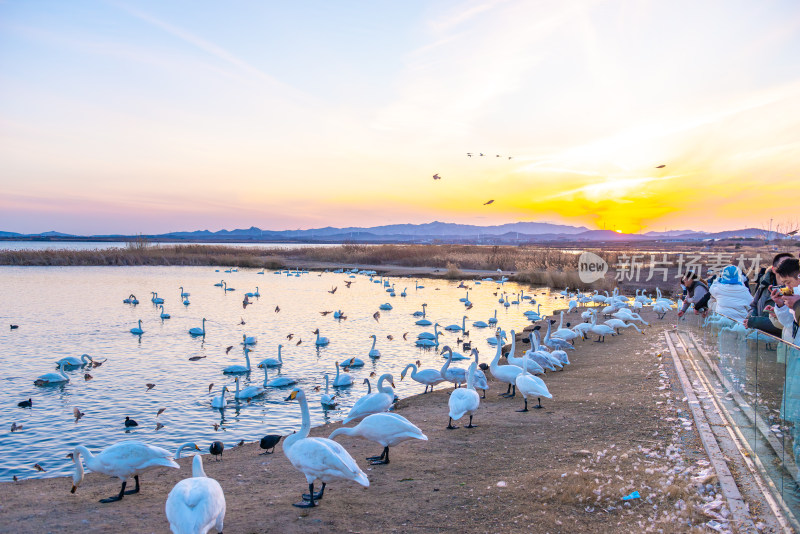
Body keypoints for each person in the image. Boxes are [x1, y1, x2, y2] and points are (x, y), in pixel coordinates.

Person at [746, 252, 794, 336]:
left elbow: (788, 323)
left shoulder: (793, 290)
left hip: (779, 341)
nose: (787, 269)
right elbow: (754, 305)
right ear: (774, 269)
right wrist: (750, 318)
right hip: (757, 338)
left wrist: (755, 322)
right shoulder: (764, 284)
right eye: (783, 265)